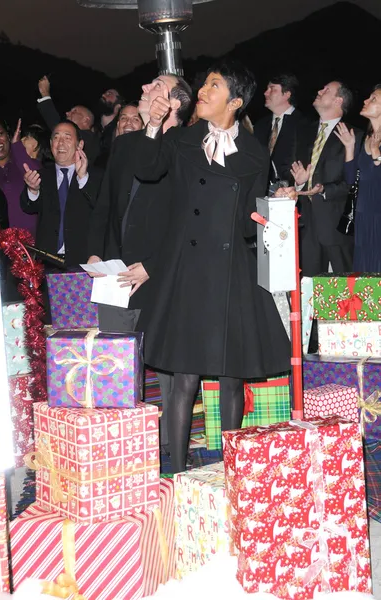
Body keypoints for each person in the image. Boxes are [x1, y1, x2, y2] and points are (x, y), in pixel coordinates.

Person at [132, 59, 291, 473]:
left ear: (235, 101)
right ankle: (179, 471)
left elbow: (246, 224)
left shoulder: (256, 153)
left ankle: (229, 470)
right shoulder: (182, 139)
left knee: (230, 376)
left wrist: (277, 210)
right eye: (204, 84)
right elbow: (146, 170)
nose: (202, 90)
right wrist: (152, 127)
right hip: (188, 269)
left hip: (231, 271)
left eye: (214, 86)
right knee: (184, 375)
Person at [87, 74, 193, 455]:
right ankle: (121, 444)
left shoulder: (187, 145)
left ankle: (168, 446)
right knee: (114, 357)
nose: (145, 88)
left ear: (175, 103)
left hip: (158, 271)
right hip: (114, 270)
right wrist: (97, 253)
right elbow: (106, 204)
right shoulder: (127, 142)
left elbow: (187, 218)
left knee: (164, 360)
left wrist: (152, 265)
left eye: (157, 86)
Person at [291, 81, 361, 275]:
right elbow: (296, 172)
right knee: (310, 289)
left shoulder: (354, 136)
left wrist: (324, 190)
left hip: (337, 226)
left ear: (339, 100)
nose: (319, 91)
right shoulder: (304, 131)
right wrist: (300, 182)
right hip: (307, 225)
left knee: (347, 289)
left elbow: (355, 183)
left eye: (326, 90)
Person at [20, 121, 103, 267]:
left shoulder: (95, 176)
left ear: (80, 145)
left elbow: (102, 209)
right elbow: (28, 208)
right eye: (56, 138)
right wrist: (33, 190)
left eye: (67, 137)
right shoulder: (41, 175)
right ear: (51, 144)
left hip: (84, 262)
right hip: (47, 261)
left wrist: (83, 178)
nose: (61, 143)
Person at [335, 85, 381, 271]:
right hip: (363, 216)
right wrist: (349, 147)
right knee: (365, 272)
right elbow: (351, 179)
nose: (365, 101)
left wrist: (377, 152)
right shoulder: (366, 137)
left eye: (373, 99)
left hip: (378, 217)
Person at [0, 118, 40, 238]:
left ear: (8, 135)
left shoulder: (23, 162)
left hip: (35, 249)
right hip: (0, 249)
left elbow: (39, 178)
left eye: (0, 133)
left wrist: (17, 147)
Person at [254, 73, 306, 188]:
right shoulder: (260, 125)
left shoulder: (304, 125)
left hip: (289, 194)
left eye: (272, 89)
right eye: (267, 89)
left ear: (287, 94)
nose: (266, 93)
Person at [37, 76, 100, 165]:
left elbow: (56, 125)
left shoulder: (90, 139)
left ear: (86, 120)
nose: (67, 113)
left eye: (74, 111)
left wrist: (45, 93)